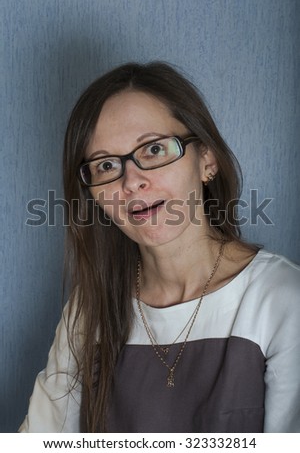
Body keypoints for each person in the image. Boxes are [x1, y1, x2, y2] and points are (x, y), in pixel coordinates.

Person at [19, 62, 300, 433]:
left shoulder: (283, 301)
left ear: (207, 160)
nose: (132, 181)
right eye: (105, 165)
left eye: (153, 149)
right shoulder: (89, 308)